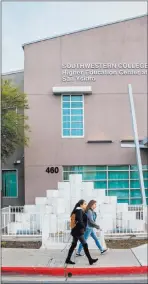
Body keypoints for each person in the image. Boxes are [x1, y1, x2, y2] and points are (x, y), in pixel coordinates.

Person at [65, 199, 98, 265]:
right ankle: (90, 260)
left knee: (73, 245)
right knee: (85, 244)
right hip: (78, 231)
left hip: (75, 230)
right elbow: (80, 221)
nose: (86, 205)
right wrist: (84, 227)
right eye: (85, 204)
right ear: (81, 205)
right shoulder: (79, 211)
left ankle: (68, 259)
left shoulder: (77, 210)